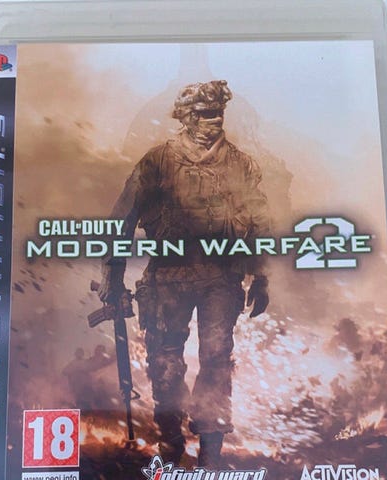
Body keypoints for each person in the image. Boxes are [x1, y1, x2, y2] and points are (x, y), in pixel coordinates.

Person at [98, 80, 270, 467]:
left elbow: (259, 224)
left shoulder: (240, 164)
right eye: (205, 114)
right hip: (168, 277)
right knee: (165, 361)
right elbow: (121, 221)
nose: (214, 121)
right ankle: (171, 437)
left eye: (218, 113)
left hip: (220, 277)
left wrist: (261, 278)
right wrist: (112, 278)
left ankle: (211, 445)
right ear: (187, 117)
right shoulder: (157, 162)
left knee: (217, 358)